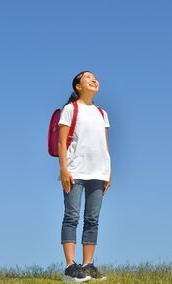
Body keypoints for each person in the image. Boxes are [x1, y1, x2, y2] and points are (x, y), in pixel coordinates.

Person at [57, 70, 111, 282]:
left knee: (92, 219)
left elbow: (105, 144)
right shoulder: (71, 109)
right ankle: (70, 267)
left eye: (95, 77)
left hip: (99, 171)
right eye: (88, 77)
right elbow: (62, 142)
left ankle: (88, 264)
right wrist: (63, 169)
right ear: (78, 86)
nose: (93, 79)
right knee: (72, 216)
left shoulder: (102, 113)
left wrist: (109, 170)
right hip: (75, 170)